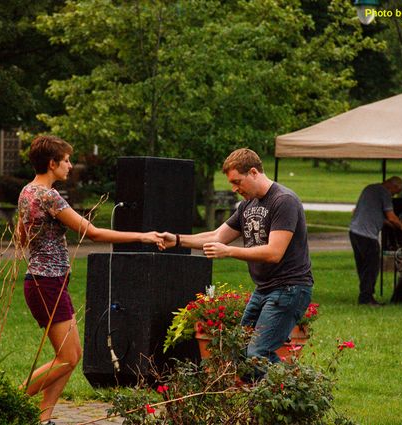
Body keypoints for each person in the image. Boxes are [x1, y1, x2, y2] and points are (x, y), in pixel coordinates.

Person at [16, 135, 163, 425]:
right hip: (47, 284)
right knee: (68, 358)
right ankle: (11, 403)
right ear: (52, 163)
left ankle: (43, 420)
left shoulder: (26, 192)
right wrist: (142, 236)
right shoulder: (49, 196)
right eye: (67, 160)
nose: (70, 165)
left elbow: (22, 235)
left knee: (71, 356)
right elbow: (92, 233)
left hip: (45, 282)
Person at [160, 148, 313, 366]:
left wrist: (229, 251)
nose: (234, 188)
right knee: (239, 350)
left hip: (290, 288)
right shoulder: (247, 206)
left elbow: (273, 252)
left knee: (258, 353)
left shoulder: (283, 201)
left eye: (237, 181)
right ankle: (263, 396)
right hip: (265, 289)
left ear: (253, 172)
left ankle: (293, 392)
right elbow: (216, 236)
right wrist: (176, 240)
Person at [349, 176, 402, 306]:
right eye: (395, 192)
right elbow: (391, 217)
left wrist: (388, 223)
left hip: (354, 232)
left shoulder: (369, 188)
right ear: (393, 186)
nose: (394, 195)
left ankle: (365, 294)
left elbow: (371, 212)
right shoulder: (384, 193)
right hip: (367, 235)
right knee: (372, 266)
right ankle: (366, 298)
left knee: (363, 265)